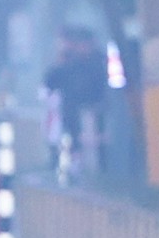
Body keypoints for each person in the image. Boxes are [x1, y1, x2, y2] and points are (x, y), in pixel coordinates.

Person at [43, 25, 110, 179]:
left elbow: (99, 86)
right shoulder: (70, 63)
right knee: (71, 142)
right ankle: (74, 167)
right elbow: (50, 82)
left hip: (95, 111)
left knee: (96, 145)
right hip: (72, 113)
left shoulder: (98, 62)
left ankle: (99, 172)